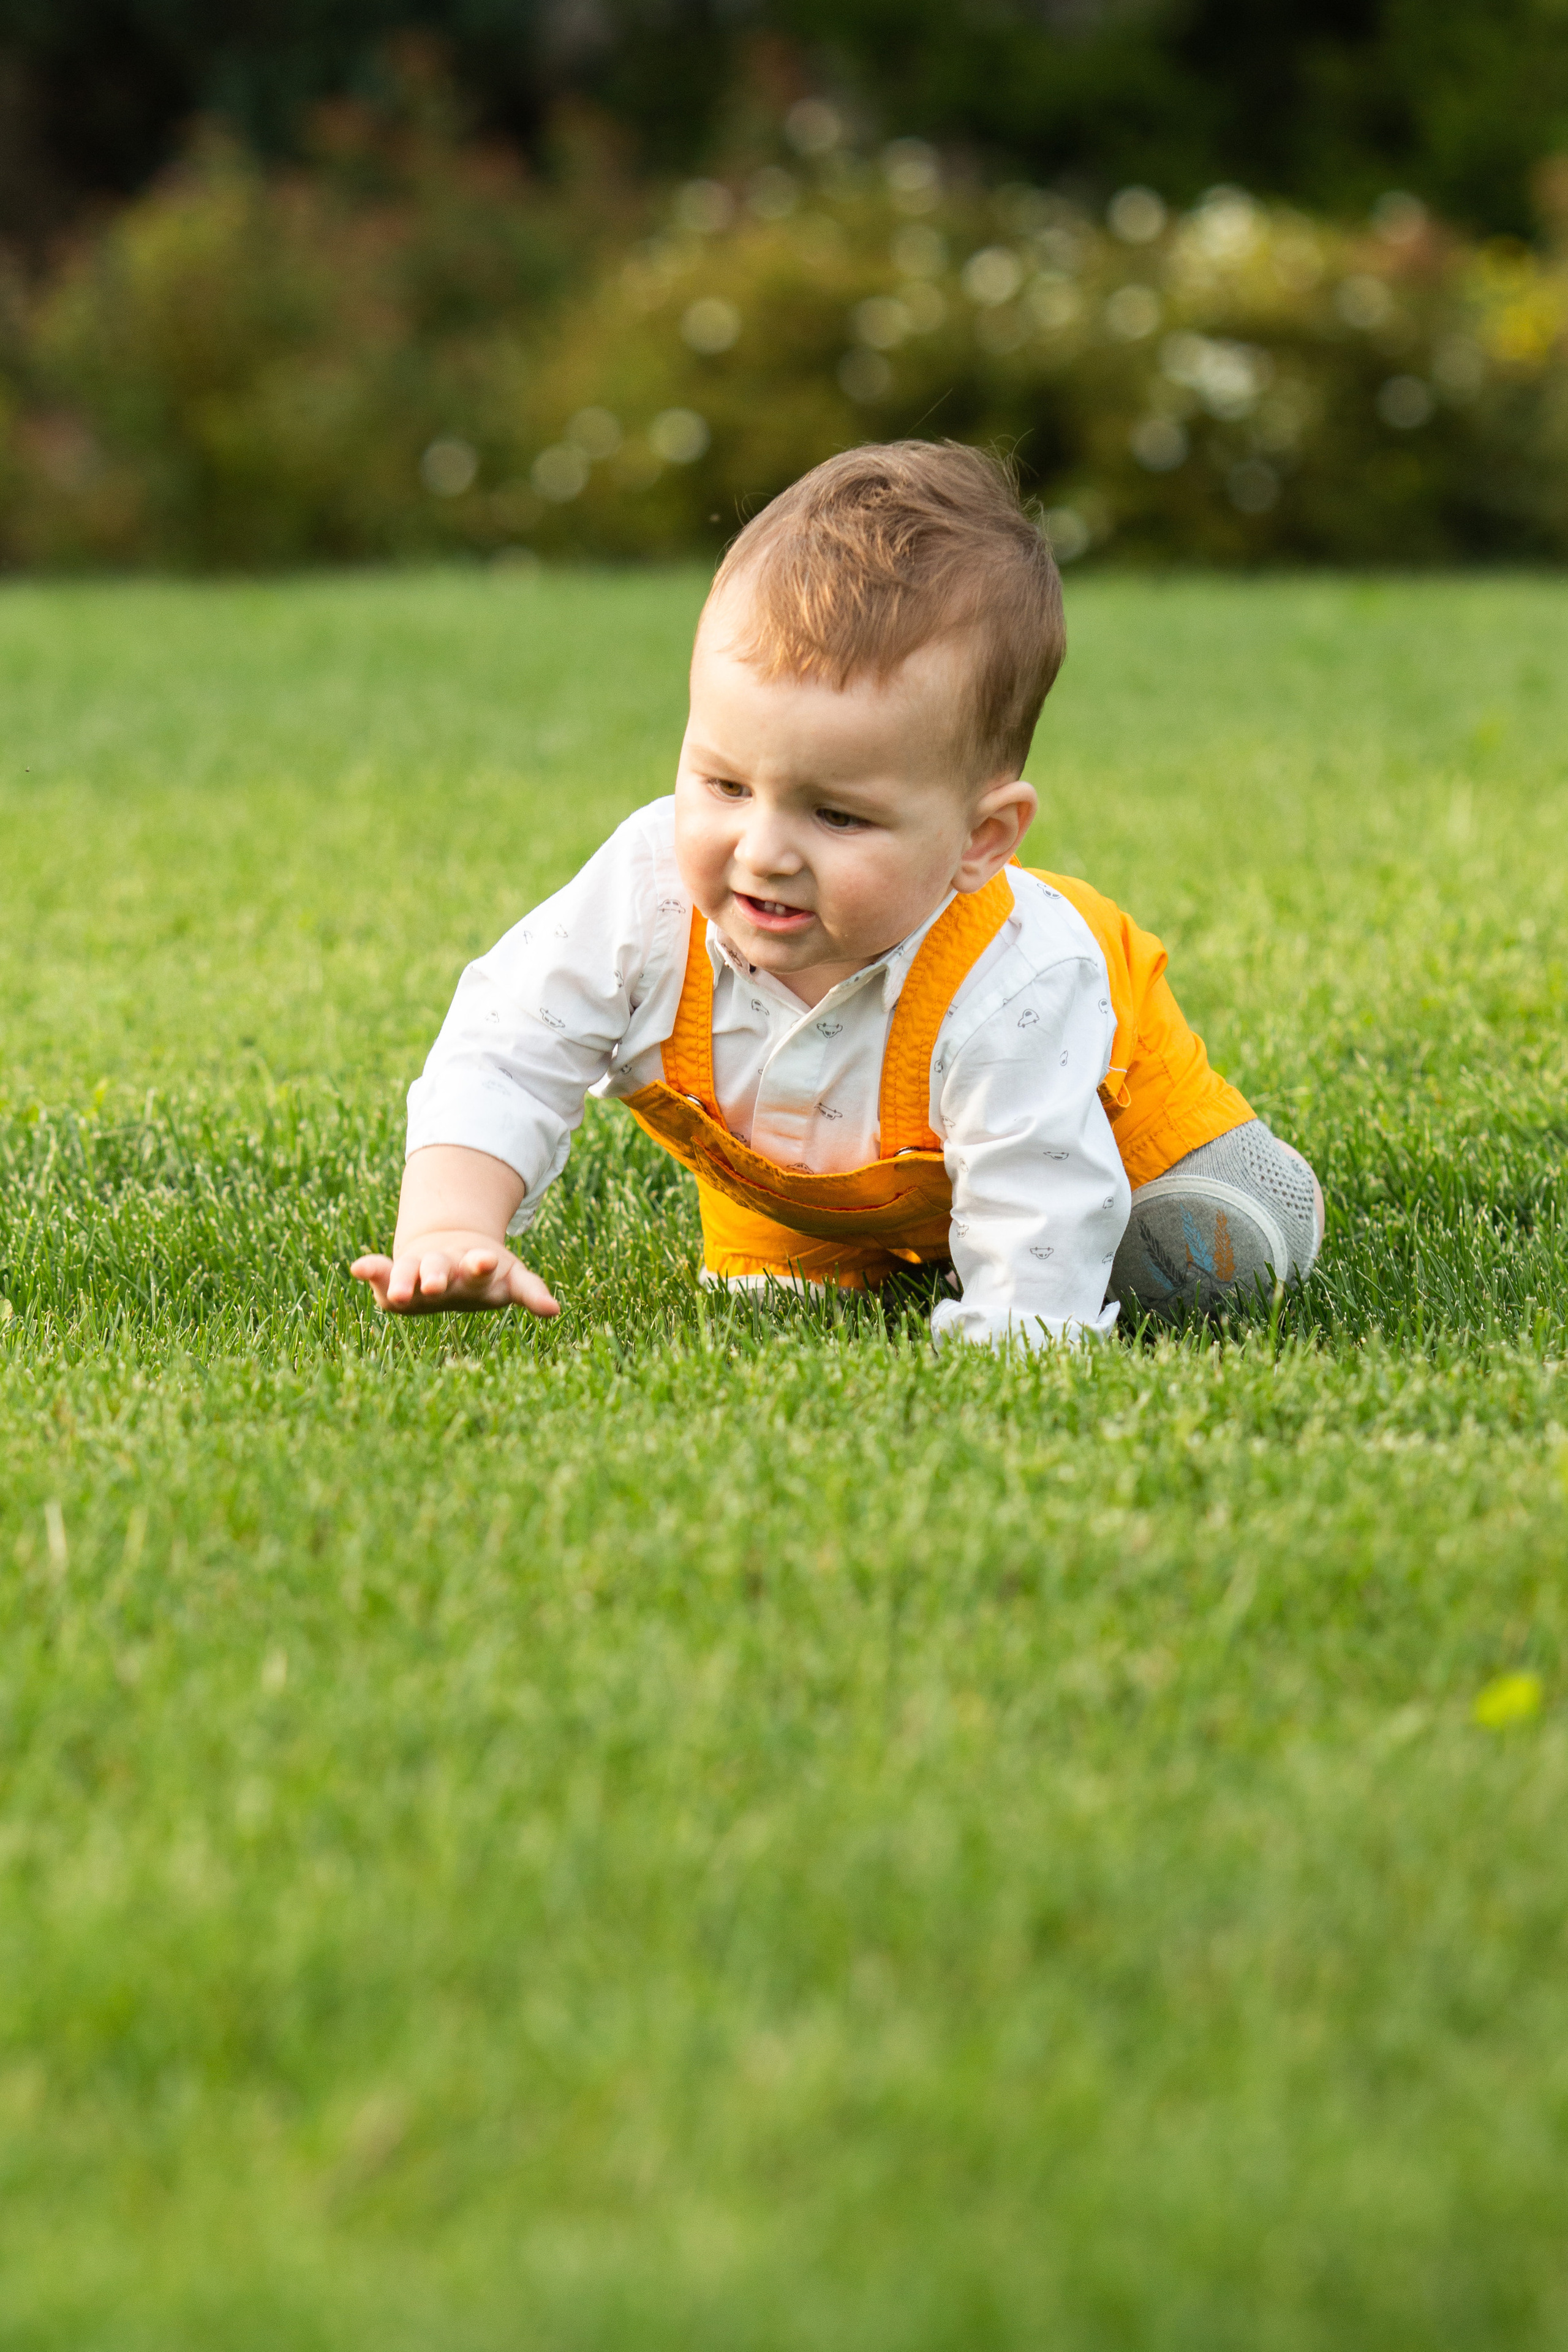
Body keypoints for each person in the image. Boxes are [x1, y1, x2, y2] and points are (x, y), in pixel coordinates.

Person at [352, 440, 1322, 1346]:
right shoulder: (647, 892)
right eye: (726, 785)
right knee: (778, 1301)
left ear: (980, 839)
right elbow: (511, 1044)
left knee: (1216, 1259)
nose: (763, 852)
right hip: (805, 1173)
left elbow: (1040, 1180)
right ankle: (842, 1247)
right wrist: (446, 1225)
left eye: (839, 817)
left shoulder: (1020, 975)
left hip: (1097, 1104)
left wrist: (1023, 1336)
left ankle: (1177, 1210)